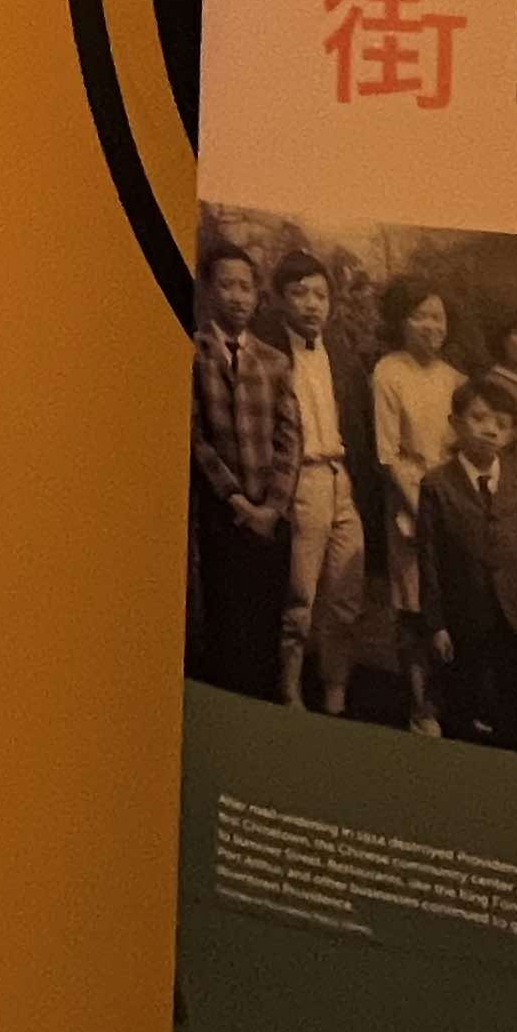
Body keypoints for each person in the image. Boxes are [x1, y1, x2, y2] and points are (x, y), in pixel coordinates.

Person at [415, 370, 517, 752]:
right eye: (478, 418)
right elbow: (428, 558)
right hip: (464, 615)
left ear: (512, 435)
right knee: (462, 698)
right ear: (455, 423)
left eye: (502, 424)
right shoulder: (437, 485)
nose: (490, 430)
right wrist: (436, 623)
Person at [185, 242, 296, 700]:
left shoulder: (274, 361)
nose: (237, 296)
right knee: (226, 613)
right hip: (222, 512)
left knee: (265, 613)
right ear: (209, 290)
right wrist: (234, 499)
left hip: (270, 514)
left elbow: (290, 437)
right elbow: (194, 436)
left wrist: (272, 507)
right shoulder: (194, 351)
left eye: (246, 287)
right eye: (227, 285)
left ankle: (263, 702)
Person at [270, 253, 369, 713]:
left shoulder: (342, 357)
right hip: (302, 479)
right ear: (280, 299)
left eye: (321, 295)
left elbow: (359, 428)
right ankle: (289, 689)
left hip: (340, 478)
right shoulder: (269, 352)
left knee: (346, 595)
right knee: (300, 596)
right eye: (300, 294)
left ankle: (336, 689)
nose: (312, 305)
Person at [370, 288, 465, 737]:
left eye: (438, 317)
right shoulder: (389, 372)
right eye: (421, 316)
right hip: (409, 496)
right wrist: (422, 511)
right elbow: (387, 455)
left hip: (453, 499)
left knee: (451, 602)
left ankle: (452, 701)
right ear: (403, 321)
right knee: (413, 605)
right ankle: (419, 704)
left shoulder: (455, 378)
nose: (432, 327)